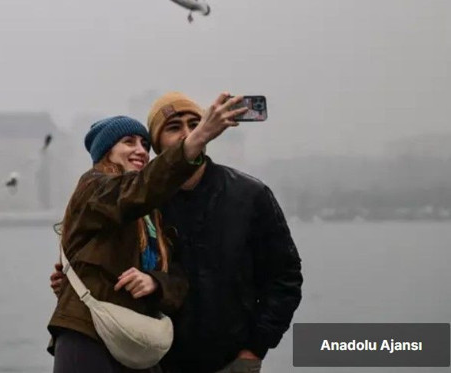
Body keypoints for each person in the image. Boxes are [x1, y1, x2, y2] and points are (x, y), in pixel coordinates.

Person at [51, 92, 303, 373]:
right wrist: (75, 281)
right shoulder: (136, 199)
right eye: (174, 127)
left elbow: (285, 278)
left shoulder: (250, 195)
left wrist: (255, 347)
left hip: (229, 359)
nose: (189, 134)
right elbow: (126, 208)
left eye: (196, 125)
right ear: (161, 146)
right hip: (153, 357)